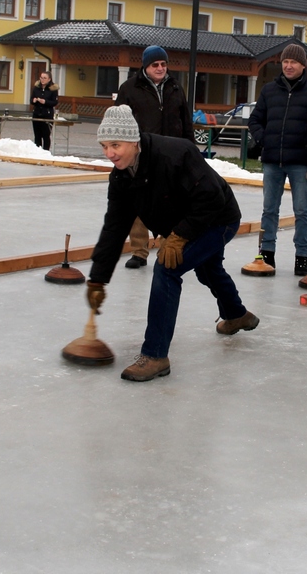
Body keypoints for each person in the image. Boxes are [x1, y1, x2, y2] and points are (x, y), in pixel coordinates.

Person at [85, 105, 259, 381]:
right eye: (104, 146)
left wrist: (179, 236)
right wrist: (98, 278)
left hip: (218, 217)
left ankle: (155, 355)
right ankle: (237, 315)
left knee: (167, 268)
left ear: (133, 140)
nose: (109, 153)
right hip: (189, 221)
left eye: (115, 145)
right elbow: (114, 228)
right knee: (208, 269)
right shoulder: (121, 176)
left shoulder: (174, 154)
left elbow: (211, 198)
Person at [248, 43, 307, 276]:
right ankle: (266, 252)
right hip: (273, 161)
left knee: (302, 210)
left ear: (303, 65)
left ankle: (302, 256)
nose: (288, 66)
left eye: (293, 62)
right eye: (285, 62)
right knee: (269, 209)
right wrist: (266, 139)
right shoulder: (269, 91)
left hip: (301, 163)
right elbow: (255, 120)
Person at [114, 45, 191, 269]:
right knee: (138, 203)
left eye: (163, 64)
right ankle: (139, 251)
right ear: (146, 66)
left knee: (170, 203)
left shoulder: (175, 87)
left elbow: (185, 120)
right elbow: (118, 121)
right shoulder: (129, 88)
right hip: (141, 153)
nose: (160, 68)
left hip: (171, 153)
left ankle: (167, 247)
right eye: (155, 64)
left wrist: (189, 149)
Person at [29, 69, 58, 151]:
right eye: (41, 77)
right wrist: (34, 100)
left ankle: (46, 152)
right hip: (37, 114)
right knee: (37, 135)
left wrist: (45, 102)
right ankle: (37, 151)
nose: (42, 79)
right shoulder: (36, 88)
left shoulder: (53, 89)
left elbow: (55, 102)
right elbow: (31, 99)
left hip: (47, 115)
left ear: (49, 79)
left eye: (44, 78)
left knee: (46, 135)